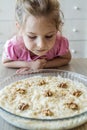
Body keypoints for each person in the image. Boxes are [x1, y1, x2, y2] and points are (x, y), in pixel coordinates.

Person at [2, 0, 71, 74]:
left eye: (49, 36)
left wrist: (42, 65)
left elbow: (66, 58)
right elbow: (6, 62)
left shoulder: (59, 42)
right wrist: (30, 65)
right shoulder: (14, 46)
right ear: (20, 28)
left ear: (57, 28)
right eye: (32, 36)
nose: (41, 45)